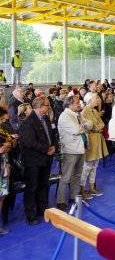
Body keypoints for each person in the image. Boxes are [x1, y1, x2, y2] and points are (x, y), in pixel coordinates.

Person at [19, 96, 57, 225]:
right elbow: (29, 142)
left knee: (43, 185)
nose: (49, 107)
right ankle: (31, 215)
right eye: (47, 105)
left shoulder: (45, 118)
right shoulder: (28, 122)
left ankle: (43, 210)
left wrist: (53, 146)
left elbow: (51, 135)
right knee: (32, 187)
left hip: (46, 158)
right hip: (33, 160)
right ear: (40, 107)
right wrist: (47, 149)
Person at [56, 95, 86, 210]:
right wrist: (84, 126)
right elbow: (77, 130)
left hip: (80, 148)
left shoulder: (77, 114)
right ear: (70, 104)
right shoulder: (65, 116)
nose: (79, 104)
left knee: (77, 175)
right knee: (66, 176)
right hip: (70, 150)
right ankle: (61, 201)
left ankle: (74, 197)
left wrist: (83, 126)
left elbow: (89, 124)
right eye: (77, 103)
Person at [81, 94, 108, 197]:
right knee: (87, 166)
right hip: (91, 140)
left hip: (97, 139)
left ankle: (92, 187)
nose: (98, 100)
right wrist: (97, 127)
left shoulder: (95, 111)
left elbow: (101, 124)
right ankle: (82, 189)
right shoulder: (85, 111)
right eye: (96, 98)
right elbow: (89, 126)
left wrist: (97, 127)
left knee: (95, 165)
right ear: (89, 100)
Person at [0, 108, 14, 235]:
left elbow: (11, 141)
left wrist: (6, 146)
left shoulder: (2, 129)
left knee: (2, 196)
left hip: (3, 165)